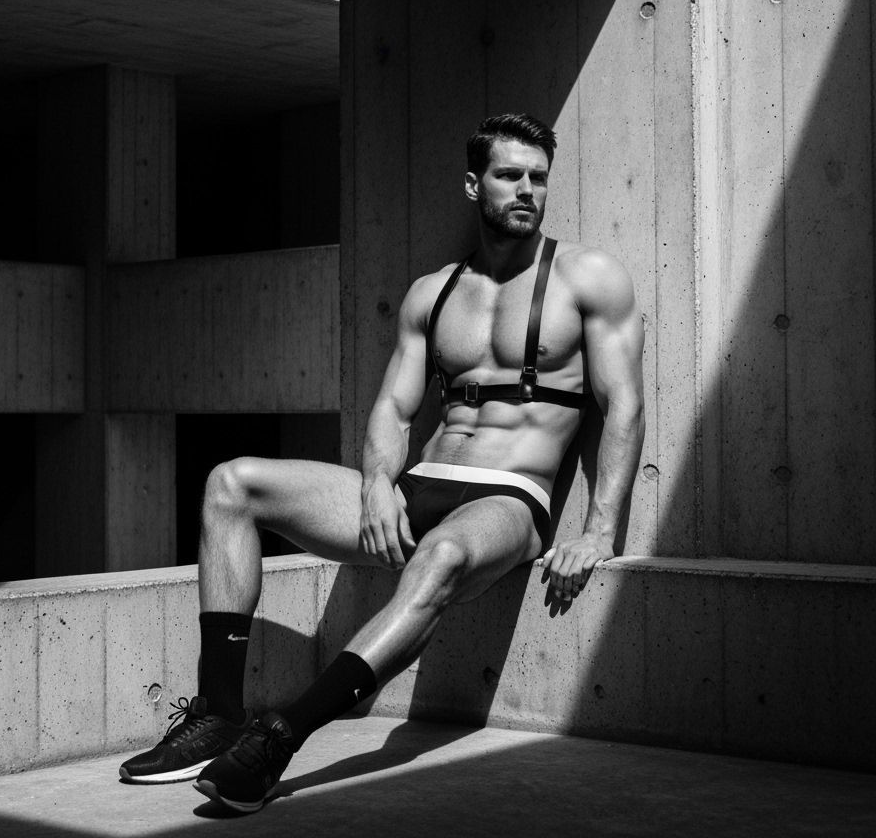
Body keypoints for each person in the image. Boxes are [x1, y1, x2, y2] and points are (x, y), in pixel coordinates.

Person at [119, 113, 645, 813]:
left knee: (440, 558)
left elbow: (624, 407)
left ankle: (281, 736)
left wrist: (599, 528)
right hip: (420, 485)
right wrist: (374, 485)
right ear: (473, 183)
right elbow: (394, 412)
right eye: (510, 175)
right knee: (231, 484)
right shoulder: (434, 293)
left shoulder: (590, 277)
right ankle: (219, 711)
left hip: (510, 499)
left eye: (538, 178)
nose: (527, 190)